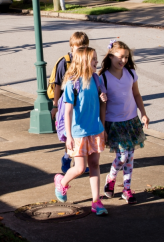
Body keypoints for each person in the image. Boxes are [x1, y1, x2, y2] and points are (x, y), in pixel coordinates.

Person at [54, 47, 108, 216]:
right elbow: (68, 111)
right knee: (79, 168)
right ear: (84, 62)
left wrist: (103, 98)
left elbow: (100, 102)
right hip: (78, 133)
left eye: (96, 59)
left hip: (95, 130)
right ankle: (61, 181)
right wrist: (69, 135)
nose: (96, 62)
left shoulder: (96, 79)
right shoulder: (72, 84)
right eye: (93, 59)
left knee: (94, 165)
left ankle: (96, 201)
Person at [100, 40, 149, 204]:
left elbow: (137, 95)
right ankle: (111, 178)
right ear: (110, 56)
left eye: (126, 57)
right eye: (120, 57)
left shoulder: (131, 73)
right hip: (114, 123)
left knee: (130, 158)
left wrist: (143, 113)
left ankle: (126, 189)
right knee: (122, 156)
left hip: (131, 121)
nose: (124, 60)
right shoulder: (103, 77)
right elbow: (102, 104)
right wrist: (102, 127)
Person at [50, 32, 90, 174]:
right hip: (66, 104)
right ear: (71, 47)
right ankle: (67, 157)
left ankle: (80, 161)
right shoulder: (65, 62)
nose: (80, 50)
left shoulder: (88, 61)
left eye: (83, 47)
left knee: (81, 131)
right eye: (77, 47)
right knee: (69, 133)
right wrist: (55, 106)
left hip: (82, 105)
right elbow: (57, 85)